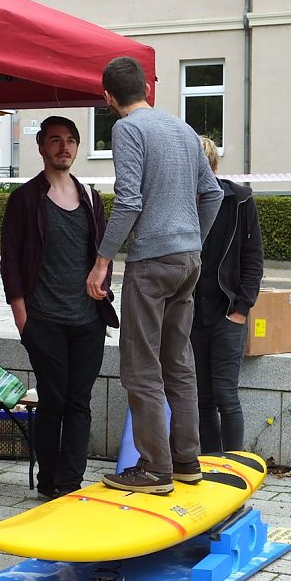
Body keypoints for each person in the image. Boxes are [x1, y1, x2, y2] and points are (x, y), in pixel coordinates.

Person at [86, 56, 223, 495]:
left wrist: (103, 260)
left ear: (108, 97)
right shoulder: (184, 130)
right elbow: (213, 192)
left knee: (141, 366)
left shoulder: (127, 130)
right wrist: (193, 240)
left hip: (151, 262)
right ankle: (187, 462)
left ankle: (153, 469)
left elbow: (128, 202)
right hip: (188, 260)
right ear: (147, 89)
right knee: (178, 363)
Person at [0, 116, 118, 499]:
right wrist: (22, 317)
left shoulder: (89, 197)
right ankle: (48, 482)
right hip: (44, 321)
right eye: (55, 140)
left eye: (70, 140)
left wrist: (103, 283)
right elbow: (12, 261)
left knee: (79, 402)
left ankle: (70, 484)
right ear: (41, 147)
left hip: (87, 321)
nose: (63, 147)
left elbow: (104, 251)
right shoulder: (24, 200)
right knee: (53, 401)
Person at [192, 136, 264, 453]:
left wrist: (241, 310)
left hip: (227, 311)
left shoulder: (240, 201)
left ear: (215, 168)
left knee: (225, 394)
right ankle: (209, 465)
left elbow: (253, 259)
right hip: (190, 314)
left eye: (204, 170)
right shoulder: (179, 202)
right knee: (201, 397)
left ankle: (233, 467)